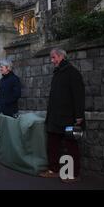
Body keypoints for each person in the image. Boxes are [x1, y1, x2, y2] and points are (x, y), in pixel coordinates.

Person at [39, 49, 85, 183]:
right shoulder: (57, 73)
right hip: (55, 118)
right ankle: (53, 170)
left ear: (61, 56)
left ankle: (73, 174)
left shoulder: (73, 73)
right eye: (51, 58)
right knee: (52, 144)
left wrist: (79, 116)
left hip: (69, 118)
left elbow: (79, 95)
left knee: (71, 146)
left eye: (53, 58)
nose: (52, 61)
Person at [0, 59, 21, 157]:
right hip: (0, 111)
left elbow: (16, 95)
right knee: (0, 132)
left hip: (10, 111)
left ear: (8, 68)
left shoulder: (14, 79)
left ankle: (10, 154)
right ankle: (1, 152)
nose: (0, 69)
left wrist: (5, 103)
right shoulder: (2, 80)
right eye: (0, 67)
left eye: (1, 67)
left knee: (10, 133)